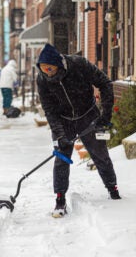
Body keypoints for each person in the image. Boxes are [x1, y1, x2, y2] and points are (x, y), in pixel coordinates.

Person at [36, 43, 121, 218]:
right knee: (61, 158)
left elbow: (105, 83)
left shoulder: (78, 65)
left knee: (100, 155)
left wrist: (105, 116)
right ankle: (60, 199)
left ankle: (113, 190)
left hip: (87, 116)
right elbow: (49, 110)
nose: (47, 72)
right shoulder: (42, 79)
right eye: (43, 69)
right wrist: (60, 134)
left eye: (49, 68)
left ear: (58, 64)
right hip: (63, 120)